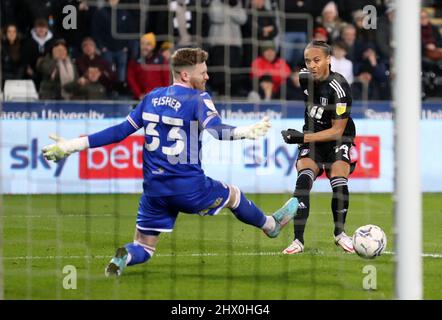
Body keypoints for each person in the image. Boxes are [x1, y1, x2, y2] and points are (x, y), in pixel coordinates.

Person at [42, 47, 298, 276]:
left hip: (154, 190)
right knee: (233, 195)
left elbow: (119, 132)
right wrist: (244, 132)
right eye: (203, 72)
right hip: (189, 188)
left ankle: (124, 256)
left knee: (144, 247)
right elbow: (217, 130)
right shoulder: (198, 99)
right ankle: (270, 225)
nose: (207, 77)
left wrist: (71, 145)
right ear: (186, 75)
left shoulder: (152, 97)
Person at [280, 40, 356, 255]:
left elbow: (336, 131)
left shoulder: (340, 89)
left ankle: (340, 233)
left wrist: (302, 136)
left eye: (316, 60)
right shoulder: (305, 78)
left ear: (329, 60)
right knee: (303, 178)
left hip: (337, 138)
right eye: (307, 60)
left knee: (339, 177)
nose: (311, 65)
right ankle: (298, 240)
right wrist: (305, 136)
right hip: (312, 136)